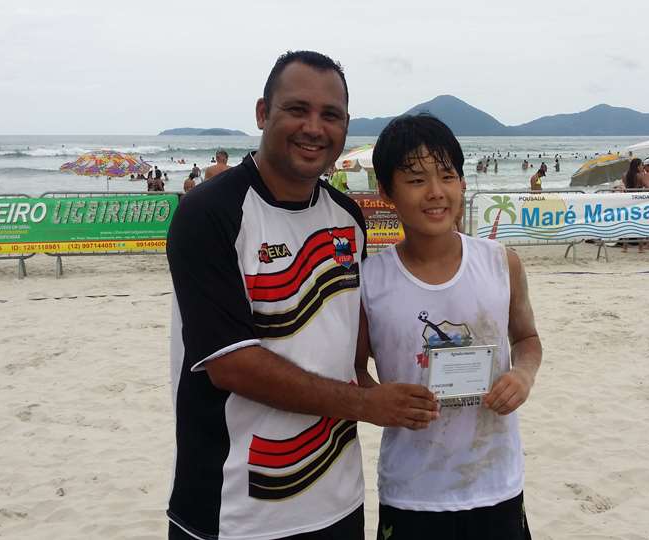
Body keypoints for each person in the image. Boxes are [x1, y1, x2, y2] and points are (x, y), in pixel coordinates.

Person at [165, 50, 439, 540]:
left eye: (330, 115)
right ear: (262, 113)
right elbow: (232, 364)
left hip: (339, 501)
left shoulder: (348, 218)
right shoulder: (209, 213)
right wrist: (368, 405)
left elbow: (348, 346)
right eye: (297, 109)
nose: (314, 128)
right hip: (235, 510)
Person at [359, 113, 541, 540]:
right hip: (413, 493)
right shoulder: (370, 281)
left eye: (447, 176)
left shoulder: (501, 263)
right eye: (416, 180)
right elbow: (353, 369)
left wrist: (522, 376)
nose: (436, 192)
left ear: (462, 182)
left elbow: (527, 339)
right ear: (385, 191)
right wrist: (376, 401)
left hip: (496, 482)